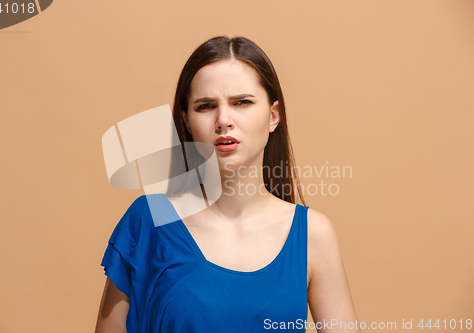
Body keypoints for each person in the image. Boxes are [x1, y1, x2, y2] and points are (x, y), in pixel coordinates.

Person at [95, 36, 360, 333]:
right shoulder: (148, 220)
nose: (223, 120)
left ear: (274, 116)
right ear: (185, 121)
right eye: (206, 106)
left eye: (242, 102)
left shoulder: (313, 233)